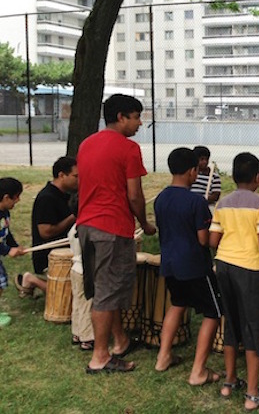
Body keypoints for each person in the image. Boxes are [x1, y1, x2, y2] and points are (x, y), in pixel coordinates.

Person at [77, 94, 156, 374]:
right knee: (107, 294)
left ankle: (121, 341)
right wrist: (145, 223)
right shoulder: (128, 148)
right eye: (136, 117)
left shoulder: (87, 143)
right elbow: (134, 195)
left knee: (102, 288)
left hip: (86, 226)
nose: (139, 123)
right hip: (111, 228)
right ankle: (100, 357)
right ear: (121, 117)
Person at [210, 152, 259, 411]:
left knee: (232, 323)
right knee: (253, 328)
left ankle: (229, 382)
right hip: (248, 269)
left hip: (223, 266)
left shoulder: (223, 203)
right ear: (257, 177)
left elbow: (213, 241)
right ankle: (251, 393)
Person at [154, 147, 222, 386]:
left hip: (170, 264)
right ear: (193, 171)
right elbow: (204, 240)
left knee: (177, 304)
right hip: (195, 266)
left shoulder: (161, 198)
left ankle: (163, 358)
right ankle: (198, 371)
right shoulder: (196, 201)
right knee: (214, 312)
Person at [14, 156, 78, 299]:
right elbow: (45, 232)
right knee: (68, 297)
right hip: (48, 259)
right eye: (76, 176)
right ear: (62, 175)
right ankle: (32, 279)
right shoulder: (47, 198)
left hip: (67, 253)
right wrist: (73, 217)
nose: (79, 180)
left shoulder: (65, 195)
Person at [67, 193, 95, 351]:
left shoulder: (74, 228)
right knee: (87, 303)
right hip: (85, 269)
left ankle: (77, 332)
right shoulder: (85, 229)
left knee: (77, 302)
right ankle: (87, 337)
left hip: (75, 268)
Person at [0, 178, 27, 326]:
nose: (18, 200)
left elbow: (6, 233)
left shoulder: (4, 213)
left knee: (1, 281)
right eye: (16, 197)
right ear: (6, 197)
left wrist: (15, 245)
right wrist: (7, 250)